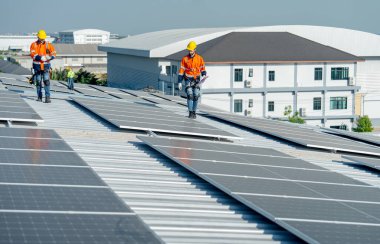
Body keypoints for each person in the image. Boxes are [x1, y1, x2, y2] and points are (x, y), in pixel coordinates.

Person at [178, 41, 207, 119]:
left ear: (195, 49)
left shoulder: (199, 58)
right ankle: (190, 112)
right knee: (190, 95)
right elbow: (181, 71)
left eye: (191, 50)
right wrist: (180, 82)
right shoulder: (185, 59)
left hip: (197, 80)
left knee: (196, 95)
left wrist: (204, 74)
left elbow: (202, 68)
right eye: (189, 50)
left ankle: (194, 112)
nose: (190, 51)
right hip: (188, 79)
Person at [30, 29, 56, 103]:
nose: (42, 40)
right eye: (41, 38)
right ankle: (39, 97)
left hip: (46, 67)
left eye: (43, 38)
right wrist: (40, 57)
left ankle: (47, 97)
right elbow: (32, 54)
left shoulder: (48, 45)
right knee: (38, 82)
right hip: (37, 67)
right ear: (38, 37)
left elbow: (54, 53)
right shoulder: (33, 45)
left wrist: (50, 57)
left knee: (46, 82)